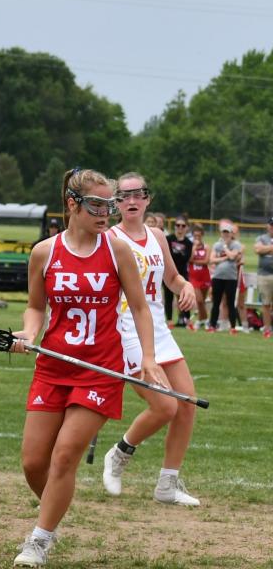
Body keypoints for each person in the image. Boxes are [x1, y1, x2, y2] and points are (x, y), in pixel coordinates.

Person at [10, 168, 164, 567]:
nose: (106, 214)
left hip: (100, 369)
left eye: (110, 205)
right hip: (53, 367)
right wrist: (28, 333)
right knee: (32, 462)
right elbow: (35, 307)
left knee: (64, 457)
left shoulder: (117, 251)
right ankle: (54, 511)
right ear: (72, 204)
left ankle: (39, 539)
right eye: (97, 205)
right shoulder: (45, 252)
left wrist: (147, 358)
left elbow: (142, 308)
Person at [103, 173, 200, 507]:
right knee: (164, 406)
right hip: (126, 331)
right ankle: (119, 453)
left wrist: (186, 287)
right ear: (115, 202)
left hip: (158, 328)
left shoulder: (157, 236)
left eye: (138, 194)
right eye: (124, 196)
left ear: (147, 199)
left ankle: (167, 484)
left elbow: (172, 278)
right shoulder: (110, 239)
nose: (131, 201)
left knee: (186, 404)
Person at [207, 220, 242, 333]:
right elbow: (212, 259)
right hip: (218, 277)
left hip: (231, 277)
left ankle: (232, 327)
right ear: (221, 233)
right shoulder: (216, 245)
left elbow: (233, 256)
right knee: (216, 302)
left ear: (231, 233)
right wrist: (224, 258)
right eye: (224, 232)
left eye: (227, 232)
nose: (225, 234)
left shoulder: (236, 244)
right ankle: (212, 325)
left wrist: (226, 248)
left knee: (230, 303)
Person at [164, 215, 193, 328]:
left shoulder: (188, 243)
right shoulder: (169, 239)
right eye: (178, 225)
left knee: (184, 296)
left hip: (182, 272)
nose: (180, 228)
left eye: (183, 226)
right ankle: (170, 320)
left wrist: (176, 254)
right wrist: (179, 254)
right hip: (168, 271)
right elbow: (168, 255)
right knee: (168, 297)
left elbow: (186, 258)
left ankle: (186, 319)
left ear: (186, 228)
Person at [186, 223, 212, 331]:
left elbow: (207, 261)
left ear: (202, 235)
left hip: (204, 276)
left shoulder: (206, 247)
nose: (197, 238)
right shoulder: (191, 246)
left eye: (199, 236)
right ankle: (206, 321)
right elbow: (189, 259)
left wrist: (196, 261)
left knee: (203, 301)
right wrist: (194, 248)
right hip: (194, 276)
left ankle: (201, 320)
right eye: (195, 236)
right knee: (200, 301)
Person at [254, 217, 273, 339]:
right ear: (267, 226)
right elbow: (258, 249)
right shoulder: (261, 238)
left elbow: (262, 250)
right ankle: (267, 328)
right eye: (271, 225)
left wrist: (265, 249)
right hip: (264, 275)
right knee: (265, 303)